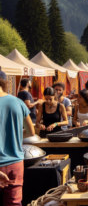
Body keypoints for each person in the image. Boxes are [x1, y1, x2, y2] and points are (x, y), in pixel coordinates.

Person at [0, 76, 35, 205]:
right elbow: (31, 131)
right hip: (15, 163)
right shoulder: (18, 102)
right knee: (14, 203)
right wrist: (14, 133)